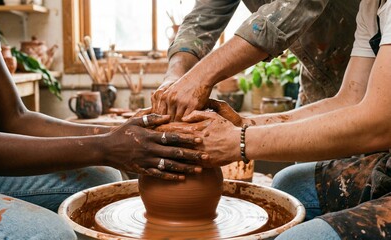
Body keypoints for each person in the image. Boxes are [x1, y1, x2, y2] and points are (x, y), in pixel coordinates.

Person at [0, 0, 206, 239]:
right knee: (52, 234)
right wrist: (106, 148)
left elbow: (15, 118)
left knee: (103, 179)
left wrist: (122, 135)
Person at [162, 0, 391, 239]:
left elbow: (378, 123)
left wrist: (238, 141)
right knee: (289, 182)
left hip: (375, 117)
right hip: (342, 89)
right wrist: (241, 125)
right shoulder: (371, 6)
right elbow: (351, 99)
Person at [152, 0, 360, 121]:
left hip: (372, 72)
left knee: (365, 179)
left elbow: (292, 7)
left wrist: (199, 78)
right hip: (318, 75)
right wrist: (175, 76)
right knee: (306, 174)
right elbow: (201, 21)